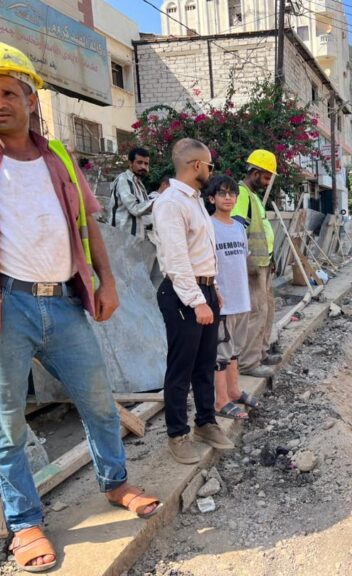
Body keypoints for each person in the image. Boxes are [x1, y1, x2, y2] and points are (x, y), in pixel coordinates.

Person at [0, 41, 158, 573]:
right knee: (5, 424)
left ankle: (116, 484)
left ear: (30, 99)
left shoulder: (59, 156)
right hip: (3, 308)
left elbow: (88, 224)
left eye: (8, 92)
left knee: (99, 404)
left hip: (64, 304)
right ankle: (24, 523)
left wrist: (108, 282)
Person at [153, 138, 234, 464]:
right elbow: (176, 259)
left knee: (204, 364)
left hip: (204, 291)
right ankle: (177, 434)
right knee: (181, 369)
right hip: (182, 294)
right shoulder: (171, 203)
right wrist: (196, 300)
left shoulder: (195, 201)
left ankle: (205, 422)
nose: (211, 171)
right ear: (197, 165)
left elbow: (202, 253)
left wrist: (213, 290)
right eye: (210, 165)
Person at [205, 175, 261, 420]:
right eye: (222, 193)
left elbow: (242, 260)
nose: (228, 198)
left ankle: (234, 390)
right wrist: (215, 291)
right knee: (221, 353)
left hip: (241, 299)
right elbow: (206, 263)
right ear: (212, 198)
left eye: (231, 193)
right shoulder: (208, 226)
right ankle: (220, 401)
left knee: (235, 350)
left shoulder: (239, 227)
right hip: (223, 302)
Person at [232, 150, 283, 379]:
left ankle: (261, 353)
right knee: (256, 312)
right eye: (266, 177)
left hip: (263, 264)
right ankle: (248, 362)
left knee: (267, 309)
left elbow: (261, 231)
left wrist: (271, 258)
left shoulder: (254, 197)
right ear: (255, 173)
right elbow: (237, 230)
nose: (267, 182)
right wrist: (246, 262)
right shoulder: (242, 195)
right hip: (252, 266)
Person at [107, 147, 153, 238]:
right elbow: (134, 208)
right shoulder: (124, 180)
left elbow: (144, 209)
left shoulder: (138, 183)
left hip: (133, 238)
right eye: (139, 162)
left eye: (146, 163)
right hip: (121, 237)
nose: (143, 167)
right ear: (130, 163)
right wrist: (158, 203)